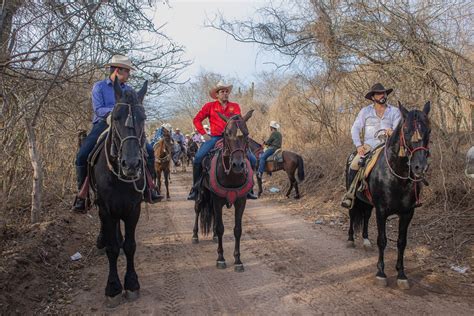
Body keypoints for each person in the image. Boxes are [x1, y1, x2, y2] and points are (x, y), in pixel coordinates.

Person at [72, 55, 162, 212]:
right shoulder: (99, 87)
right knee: (83, 155)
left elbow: (135, 108)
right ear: (118, 70)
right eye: (127, 71)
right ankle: (83, 195)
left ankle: (150, 188)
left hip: (126, 126)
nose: (129, 75)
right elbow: (98, 109)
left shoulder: (130, 90)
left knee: (148, 150)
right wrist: (115, 112)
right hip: (103, 123)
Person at [187, 81, 258, 200]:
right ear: (217, 94)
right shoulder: (209, 106)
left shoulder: (234, 106)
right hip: (215, 137)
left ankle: (249, 188)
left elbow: (238, 122)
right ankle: (195, 188)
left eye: (226, 91)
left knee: (252, 159)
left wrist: (242, 132)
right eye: (222, 92)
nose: (225, 93)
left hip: (232, 138)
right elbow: (197, 120)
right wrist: (204, 134)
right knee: (198, 158)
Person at [341, 83, 402, 208]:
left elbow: (398, 129)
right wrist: (358, 145)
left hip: (388, 146)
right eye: (379, 93)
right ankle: (350, 194)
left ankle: (410, 197)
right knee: (354, 163)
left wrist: (393, 132)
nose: (382, 95)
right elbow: (355, 129)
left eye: (384, 93)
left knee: (408, 161)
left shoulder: (395, 111)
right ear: (373, 97)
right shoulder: (365, 111)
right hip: (370, 145)